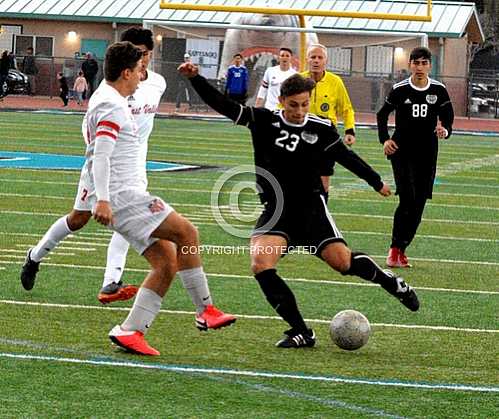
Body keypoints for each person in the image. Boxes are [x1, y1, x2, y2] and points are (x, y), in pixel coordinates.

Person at [180, 63, 420, 348]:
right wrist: (196, 78)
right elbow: (223, 104)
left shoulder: (321, 128)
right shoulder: (263, 120)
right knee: (260, 264)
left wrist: (376, 181)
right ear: (281, 101)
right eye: (293, 105)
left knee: (343, 263)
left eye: (305, 104)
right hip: (276, 209)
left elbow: (347, 157)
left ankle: (391, 282)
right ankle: (301, 331)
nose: (299, 110)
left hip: (311, 208)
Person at [20, 41, 236, 356]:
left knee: (165, 264)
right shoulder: (112, 104)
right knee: (187, 233)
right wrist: (104, 199)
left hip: (125, 193)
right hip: (124, 196)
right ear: (125, 72)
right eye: (138, 71)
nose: (141, 76)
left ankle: (130, 331)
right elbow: (102, 156)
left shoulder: (110, 98)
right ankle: (206, 310)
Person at [377, 47, 454, 268]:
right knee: (408, 197)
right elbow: (382, 114)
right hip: (402, 151)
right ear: (410, 64)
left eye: (423, 63)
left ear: (430, 65)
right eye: (415, 63)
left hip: (427, 152)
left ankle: (402, 248)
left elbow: (448, 118)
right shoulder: (400, 89)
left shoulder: (439, 90)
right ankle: (394, 249)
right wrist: (385, 139)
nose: (419, 67)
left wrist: (445, 130)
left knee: (419, 202)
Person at [301, 44, 356, 200]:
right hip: (302, 134)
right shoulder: (299, 80)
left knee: (324, 181)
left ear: (326, 60)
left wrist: (349, 131)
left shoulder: (335, 81)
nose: (316, 61)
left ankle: (321, 214)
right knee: (301, 177)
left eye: (320, 57)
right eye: (313, 57)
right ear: (307, 59)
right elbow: (284, 105)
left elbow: (347, 109)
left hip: (327, 136)